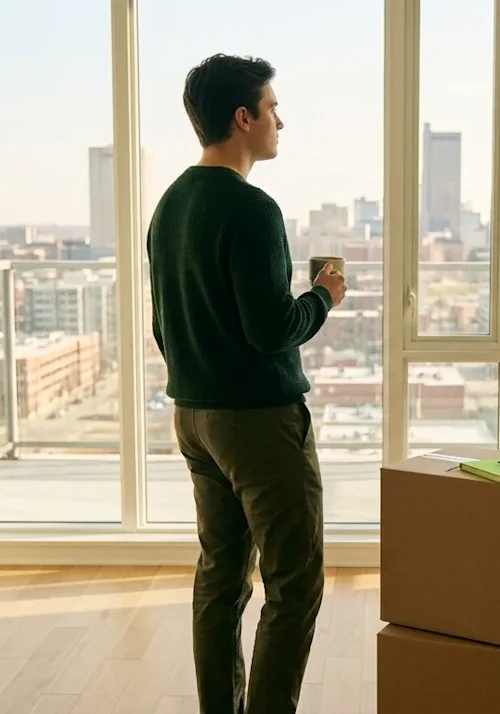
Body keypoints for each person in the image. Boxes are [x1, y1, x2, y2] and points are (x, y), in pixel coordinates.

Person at [147, 54, 347, 714]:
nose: (280, 121)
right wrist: (321, 297)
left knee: (221, 578)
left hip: (195, 417)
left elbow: (163, 327)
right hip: (258, 422)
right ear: (243, 117)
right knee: (294, 584)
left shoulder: (170, 205)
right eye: (272, 108)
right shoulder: (253, 209)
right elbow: (272, 330)